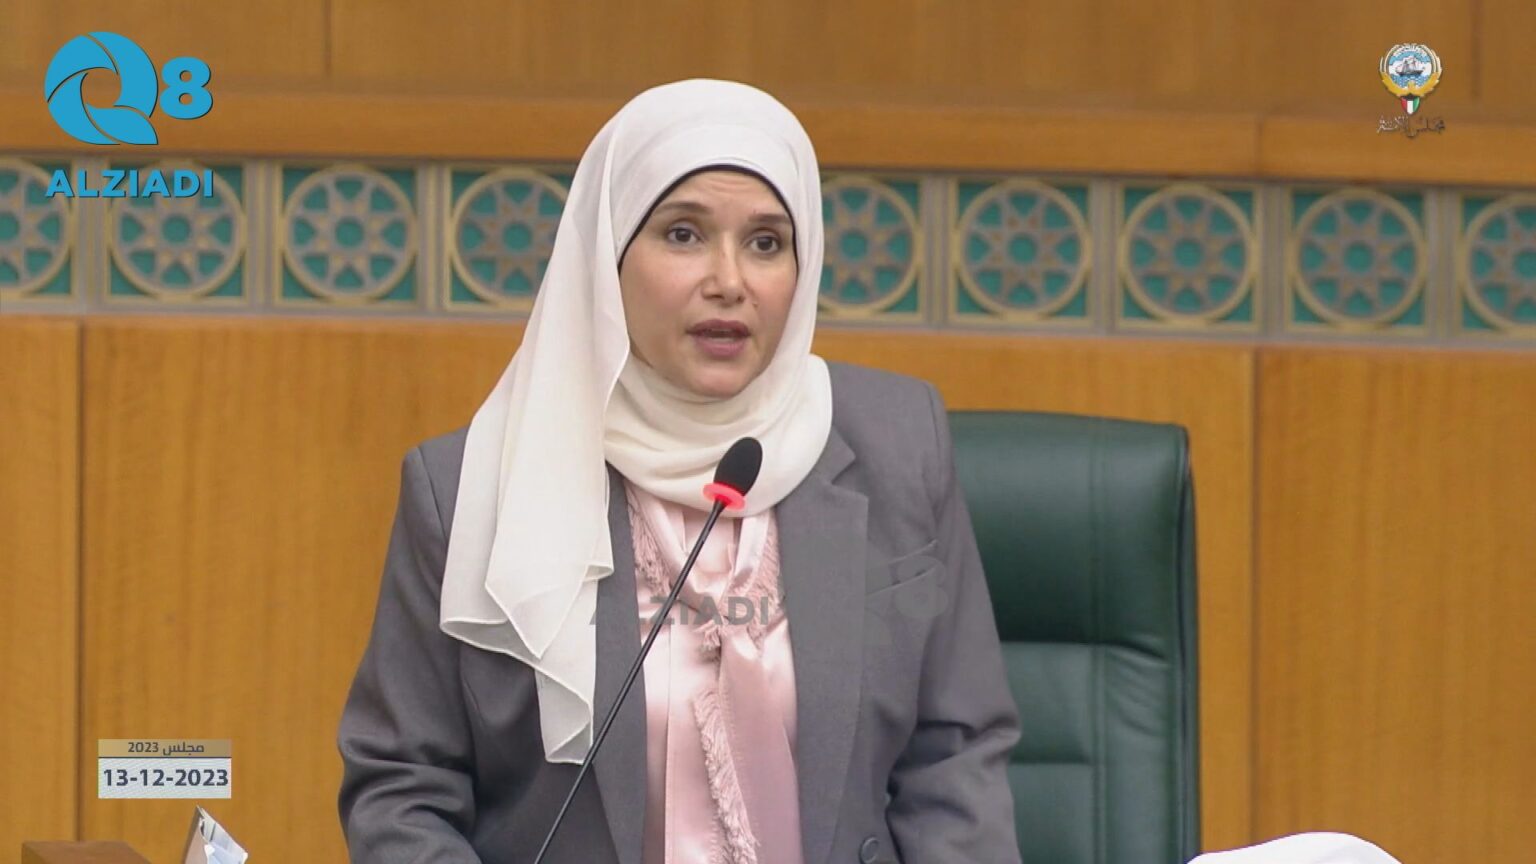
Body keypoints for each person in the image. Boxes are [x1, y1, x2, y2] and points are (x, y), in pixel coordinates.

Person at [337, 79, 1021, 864]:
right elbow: (403, 789)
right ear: (609, 257)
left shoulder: (898, 445)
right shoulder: (469, 488)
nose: (729, 281)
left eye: (766, 243)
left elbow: (957, 755)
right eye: (684, 234)